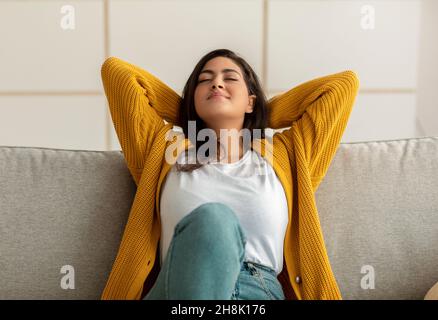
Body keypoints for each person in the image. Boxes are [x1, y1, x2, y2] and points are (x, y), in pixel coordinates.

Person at [100, 49, 360, 300]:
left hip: (258, 290)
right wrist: (190, 109)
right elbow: (118, 75)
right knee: (215, 218)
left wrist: (260, 113)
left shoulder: (287, 155)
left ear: (251, 100)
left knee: (217, 218)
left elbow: (342, 87)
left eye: (230, 78)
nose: (216, 84)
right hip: (182, 286)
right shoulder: (164, 151)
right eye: (205, 80)